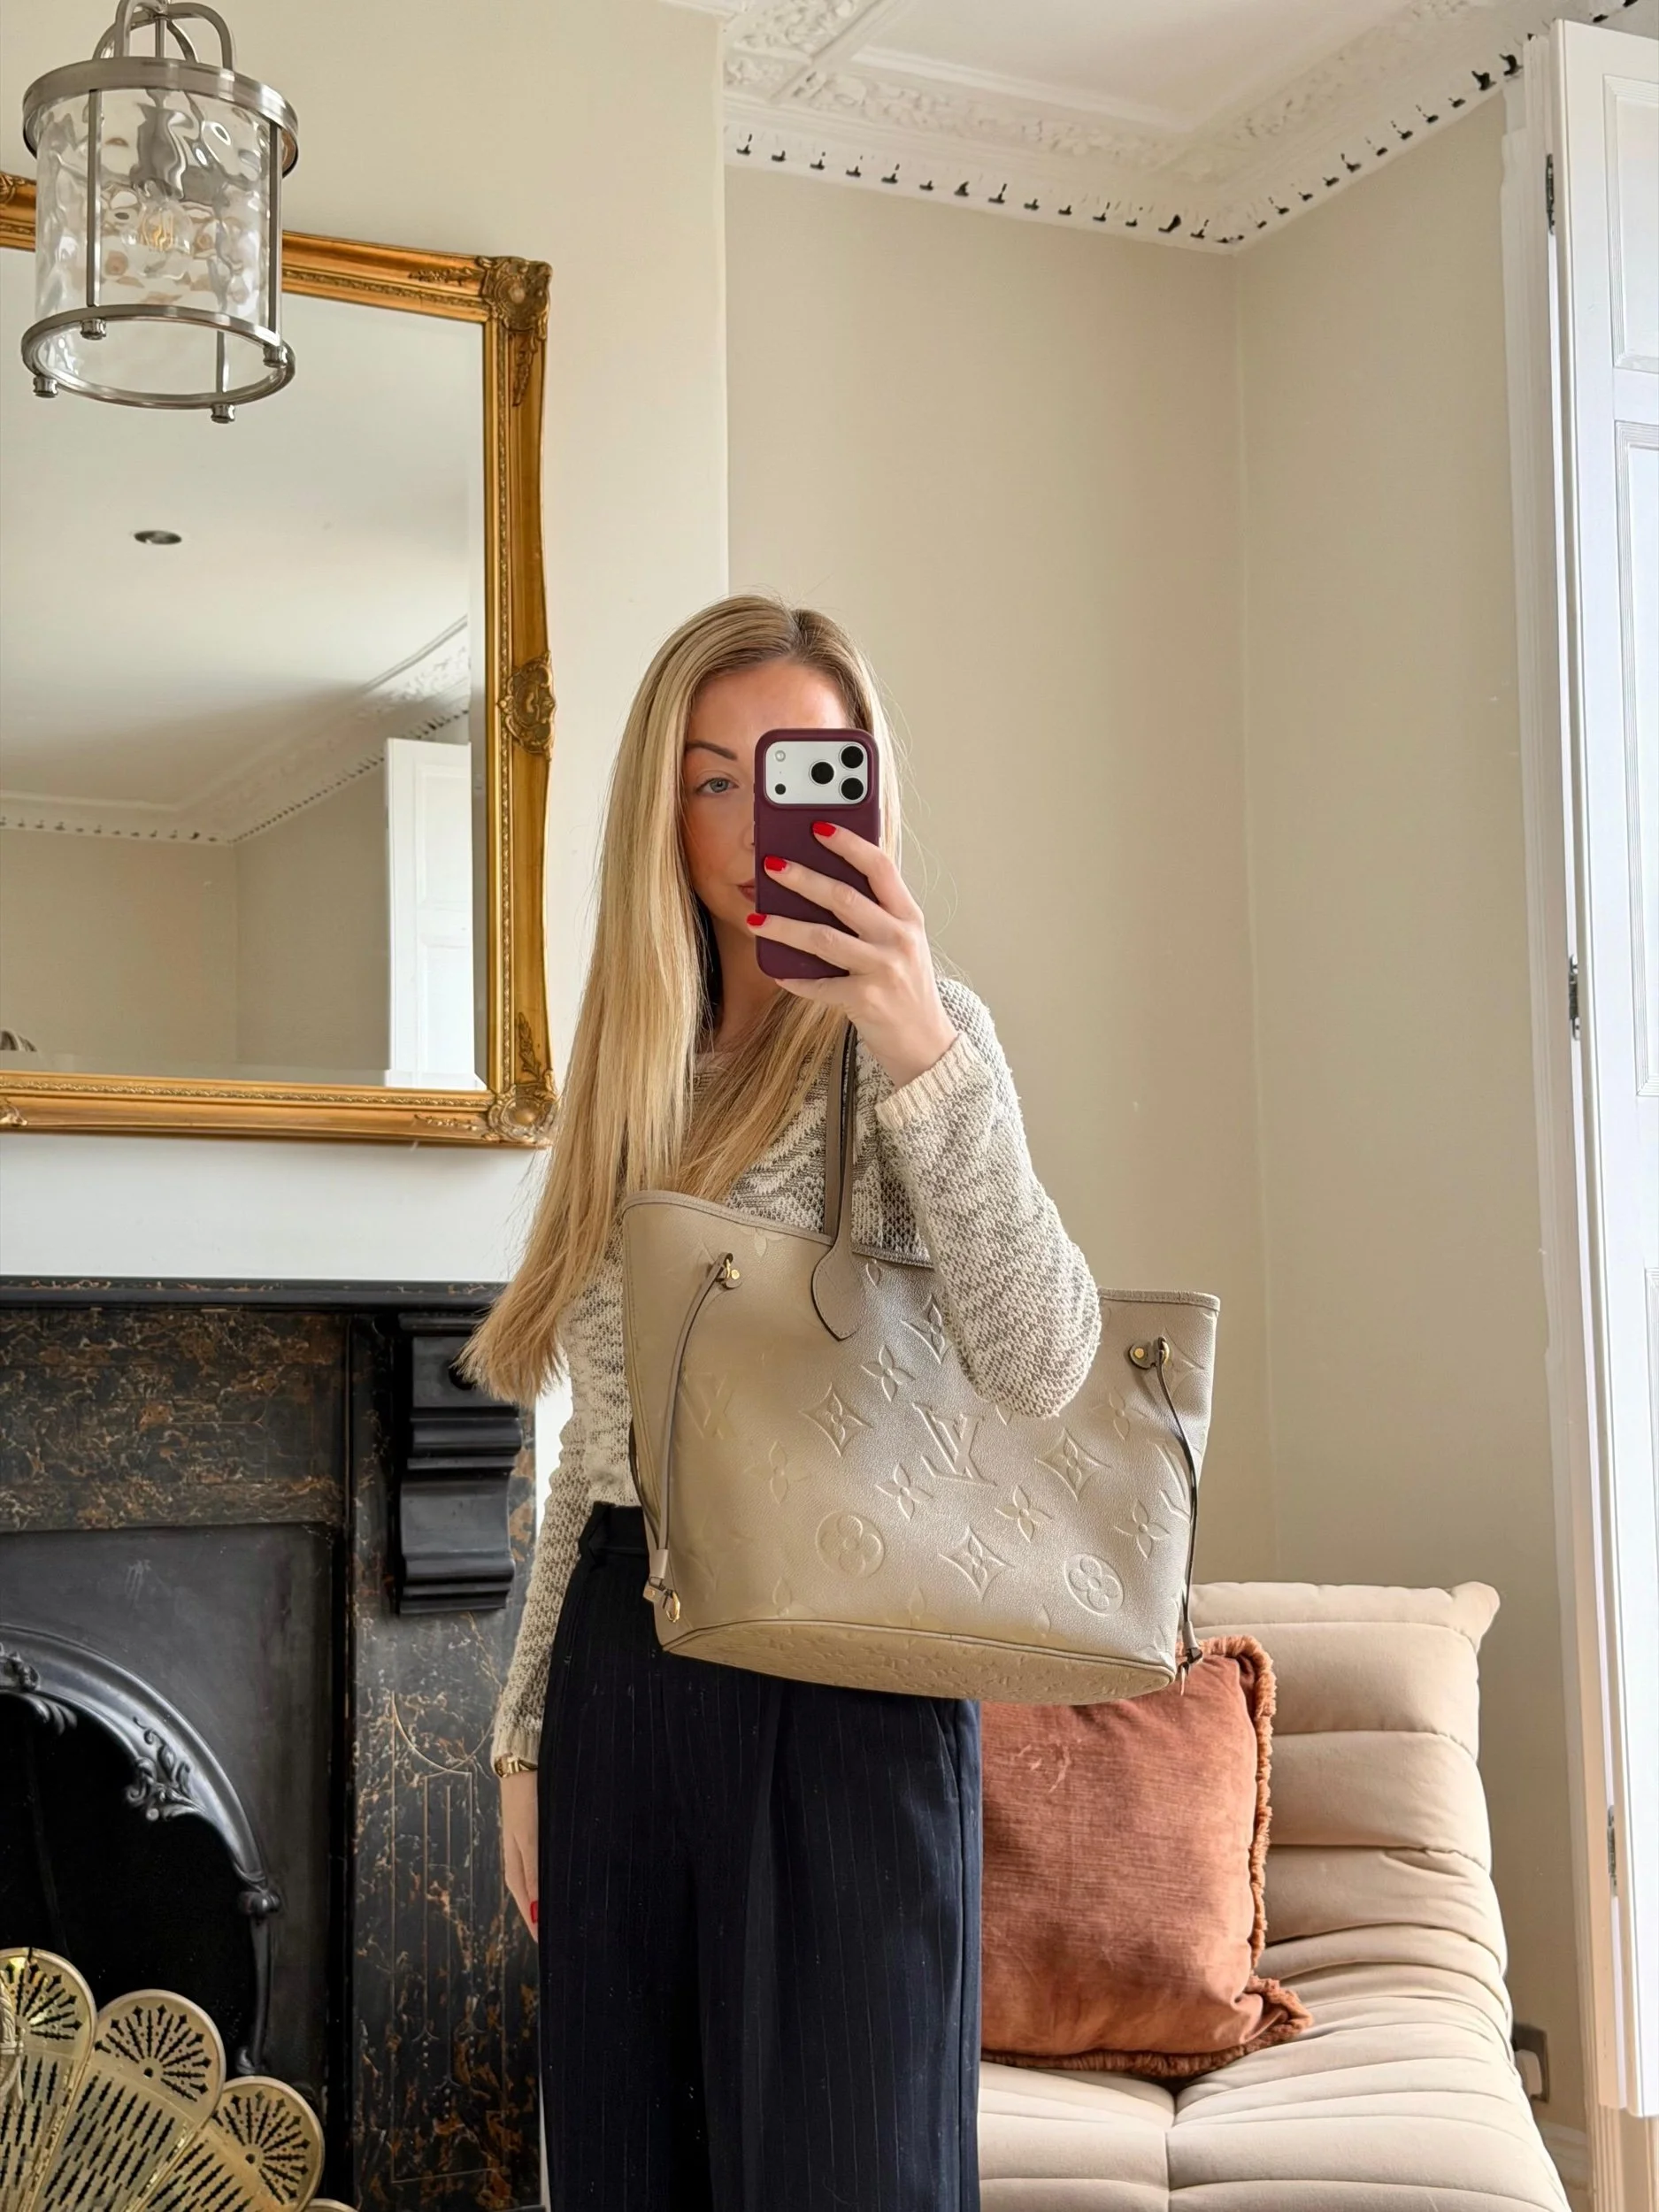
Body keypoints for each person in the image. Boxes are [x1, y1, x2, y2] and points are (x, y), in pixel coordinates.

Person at [466, 595, 1100, 2211]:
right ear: (659, 813)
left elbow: (1042, 1361)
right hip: (625, 1666)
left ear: (861, 784)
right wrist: (525, 1736)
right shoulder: (632, 1073)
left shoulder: (921, 1046)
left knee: (851, 2171)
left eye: (798, 771)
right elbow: (594, 1444)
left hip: (850, 1683)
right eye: (709, 780)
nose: (756, 823)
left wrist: (916, 1037)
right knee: (625, 2169)